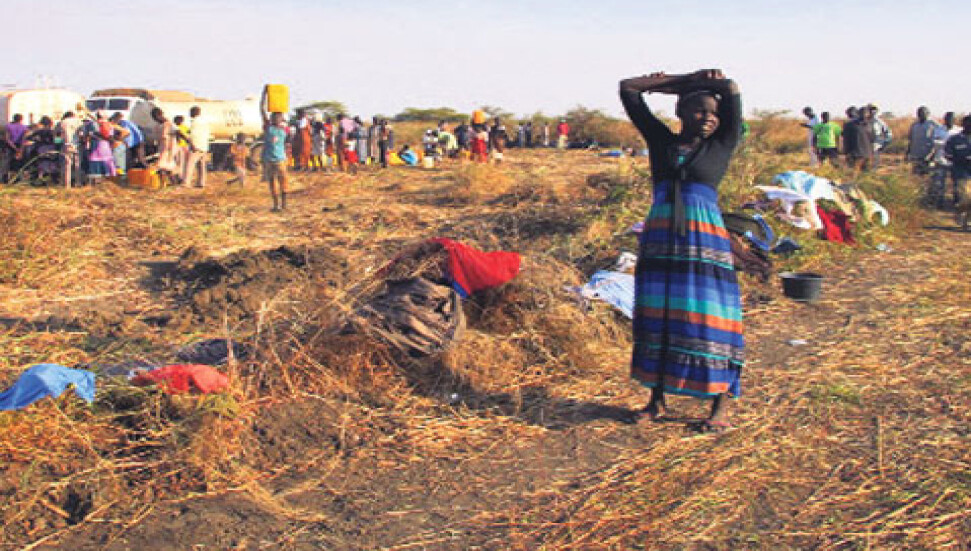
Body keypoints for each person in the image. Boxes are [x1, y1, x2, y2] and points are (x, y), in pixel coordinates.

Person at [619, 68, 744, 432]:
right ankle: (655, 400)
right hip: (661, 238)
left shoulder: (722, 143)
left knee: (709, 316)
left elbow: (732, 90)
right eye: (699, 110)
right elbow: (628, 88)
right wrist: (683, 78)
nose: (708, 118)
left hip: (705, 240)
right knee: (661, 317)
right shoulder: (661, 141)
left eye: (713, 113)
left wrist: (707, 81)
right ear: (680, 113)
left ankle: (719, 403)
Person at [260, 88, 288, 211]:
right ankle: (278, 205)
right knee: (275, 182)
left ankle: (281, 204)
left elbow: (262, 110)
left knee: (280, 182)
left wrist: (265, 93)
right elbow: (261, 109)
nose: (276, 119)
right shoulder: (275, 128)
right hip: (274, 160)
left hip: (276, 160)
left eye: (278, 118)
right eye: (275, 118)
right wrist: (265, 93)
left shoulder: (278, 129)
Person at [945, 115, 971, 229]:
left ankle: (968, 221)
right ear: (964, 125)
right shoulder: (954, 139)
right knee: (966, 197)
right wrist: (963, 159)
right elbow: (948, 155)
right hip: (961, 172)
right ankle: (959, 212)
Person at [931, 112, 962, 207]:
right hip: (940, 160)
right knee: (939, 183)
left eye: (951, 119)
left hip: (955, 161)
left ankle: (957, 202)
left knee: (957, 183)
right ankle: (939, 202)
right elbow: (934, 144)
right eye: (947, 118)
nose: (949, 120)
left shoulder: (959, 131)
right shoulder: (938, 130)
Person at [151, 107, 180, 186]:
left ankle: (167, 183)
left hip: (169, 148)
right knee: (166, 166)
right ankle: (169, 183)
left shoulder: (169, 124)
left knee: (161, 165)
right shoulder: (158, 125)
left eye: (155, 117)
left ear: (159, 115)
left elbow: (179, 133)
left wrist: (188, 142)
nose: (154, 119)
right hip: (162, 147)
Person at [85, 112, 116, 183]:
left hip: (95, 148)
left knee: (95, 169)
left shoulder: (91, 124)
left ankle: (96, 183)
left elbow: (87, 137)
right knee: (107, 168)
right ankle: (108, 183)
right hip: (105, 148)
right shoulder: (109, 125)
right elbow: (110, 137)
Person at [906, 106, 939, 172]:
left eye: (922, 113)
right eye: (919, 113)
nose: (920, 115)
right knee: (916, 175)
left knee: (928, 174)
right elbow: (911, 140)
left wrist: (932, 155)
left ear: (928, 113)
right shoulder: (914, 125)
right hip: (915, 155)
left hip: (928, 156)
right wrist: (908, 152)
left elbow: (938, 141)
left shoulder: (933, 124)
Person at [56, 111, 81, 188]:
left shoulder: (62, 122)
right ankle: (78, 182)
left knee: (67, 165)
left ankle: (67, 184)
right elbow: (81, 133)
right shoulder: (78, 121)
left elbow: (58, 136)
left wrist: (57, 143)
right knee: (77, 164)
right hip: (77, 144)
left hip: (66, 145)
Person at [842, 107, 872, 171]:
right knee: (854, 174)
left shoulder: (869, 125)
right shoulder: (849, 125)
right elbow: (846, 140)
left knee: (865, 175)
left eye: (866, 113)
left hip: (866, 155)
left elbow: (871, 139)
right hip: (855, 155)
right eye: (863, 113)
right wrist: (846, 152)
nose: (864, 115)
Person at [1, 114, 28, 182]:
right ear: (21, 119)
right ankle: (17, 178)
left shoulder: (8, 126)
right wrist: (20, 150)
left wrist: (14, 147)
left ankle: (4, 178)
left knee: (6, 162)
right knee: (18, 163)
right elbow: (23, 140)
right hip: (19, 146)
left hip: (9, 146)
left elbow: (7, 139)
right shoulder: (24, 127)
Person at [866, 104, 892, 168]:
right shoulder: (864, 121)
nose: (872, 111)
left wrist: (883, 144)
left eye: (874, 109)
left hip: (876, 146)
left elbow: (888, 134)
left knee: (874, 164)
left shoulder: (880, 122)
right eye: (871, 109)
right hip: (865, 146)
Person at [107, 113, 131, 177]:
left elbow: (127, 132)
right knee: (120, 164)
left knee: (118, 164)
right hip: (119, 145)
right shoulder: (114, 125)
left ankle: (119, 178)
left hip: (117, 146)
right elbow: (127, 132)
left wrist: (119, 138)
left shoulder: (114, 125)